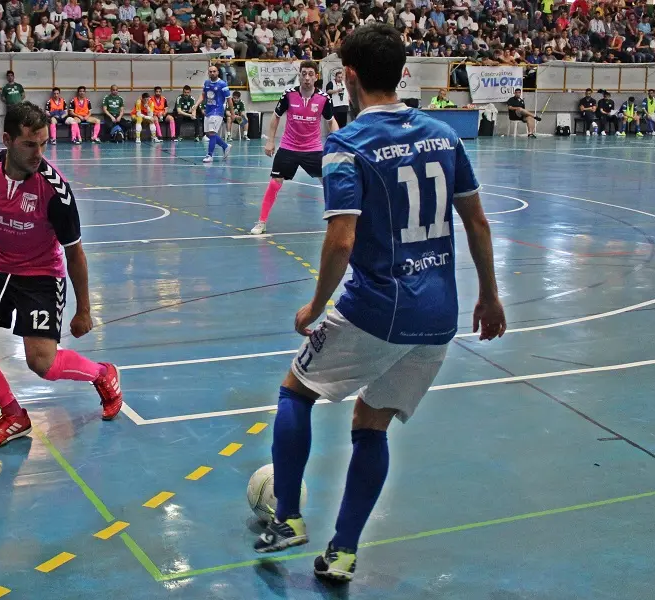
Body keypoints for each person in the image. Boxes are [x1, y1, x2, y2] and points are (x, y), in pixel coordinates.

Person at [251, 24, 505, 582]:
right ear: (403, 74)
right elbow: (478, 223)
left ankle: (288, 519)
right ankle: (342, 553)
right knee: (372, 423)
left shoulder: (348, 144)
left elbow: (341, 240)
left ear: (349, 77)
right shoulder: (445, 135)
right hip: (438, 315)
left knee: (296, 391)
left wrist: (315, 306)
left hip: (378, 305)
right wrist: (489, 295)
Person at [0, 102, 123, 449]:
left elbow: (74, 252)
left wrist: (84, 310)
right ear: (7, 140)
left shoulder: (54, 190)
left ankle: (102, 374)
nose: (38, 153)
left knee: (42, 364)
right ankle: (13, 414)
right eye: (29, 144)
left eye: (43, 144)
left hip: (42, 275)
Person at [251, 60, 338, 236]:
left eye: (310, 74)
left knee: (330, 183)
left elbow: (331, 122)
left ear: (316, 77)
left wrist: (339, 143)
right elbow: (276, 116)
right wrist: (270, 141)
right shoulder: (288, 95)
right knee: (275, 183)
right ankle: (261, 222)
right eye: (303, 74)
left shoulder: (324, 98)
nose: (307, 78)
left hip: (313, 149)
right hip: (289, 147)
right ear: (299, 75)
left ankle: (337, 221)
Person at [201, 64, 233, 163]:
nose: (212, 73)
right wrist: (196, 106)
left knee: (212, 133)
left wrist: (232, 113)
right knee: (208, 134)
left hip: (218, 111)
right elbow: (203, 96)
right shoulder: (206, 83)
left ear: (218, 72)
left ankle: (209, 155)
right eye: (210, 71)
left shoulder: (222, 84)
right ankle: (225, 146)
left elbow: (229, 99)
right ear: (208, 73)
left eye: (214, 71)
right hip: (208, 111)